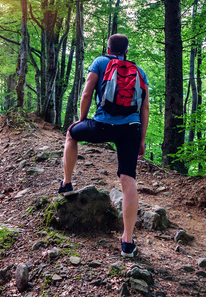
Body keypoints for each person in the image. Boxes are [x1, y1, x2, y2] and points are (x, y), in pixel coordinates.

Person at [59, 33, 149, 258]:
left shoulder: (100, 62)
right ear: (126, 50)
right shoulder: (140, 71)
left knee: (71, 134)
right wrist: (142, 139)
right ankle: (127, 242)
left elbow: (87, 91)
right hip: (131, 129)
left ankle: (67, 183)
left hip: (101, 125)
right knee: (128, 180)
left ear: (107, 47)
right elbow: (144, 109)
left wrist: (81, 119)